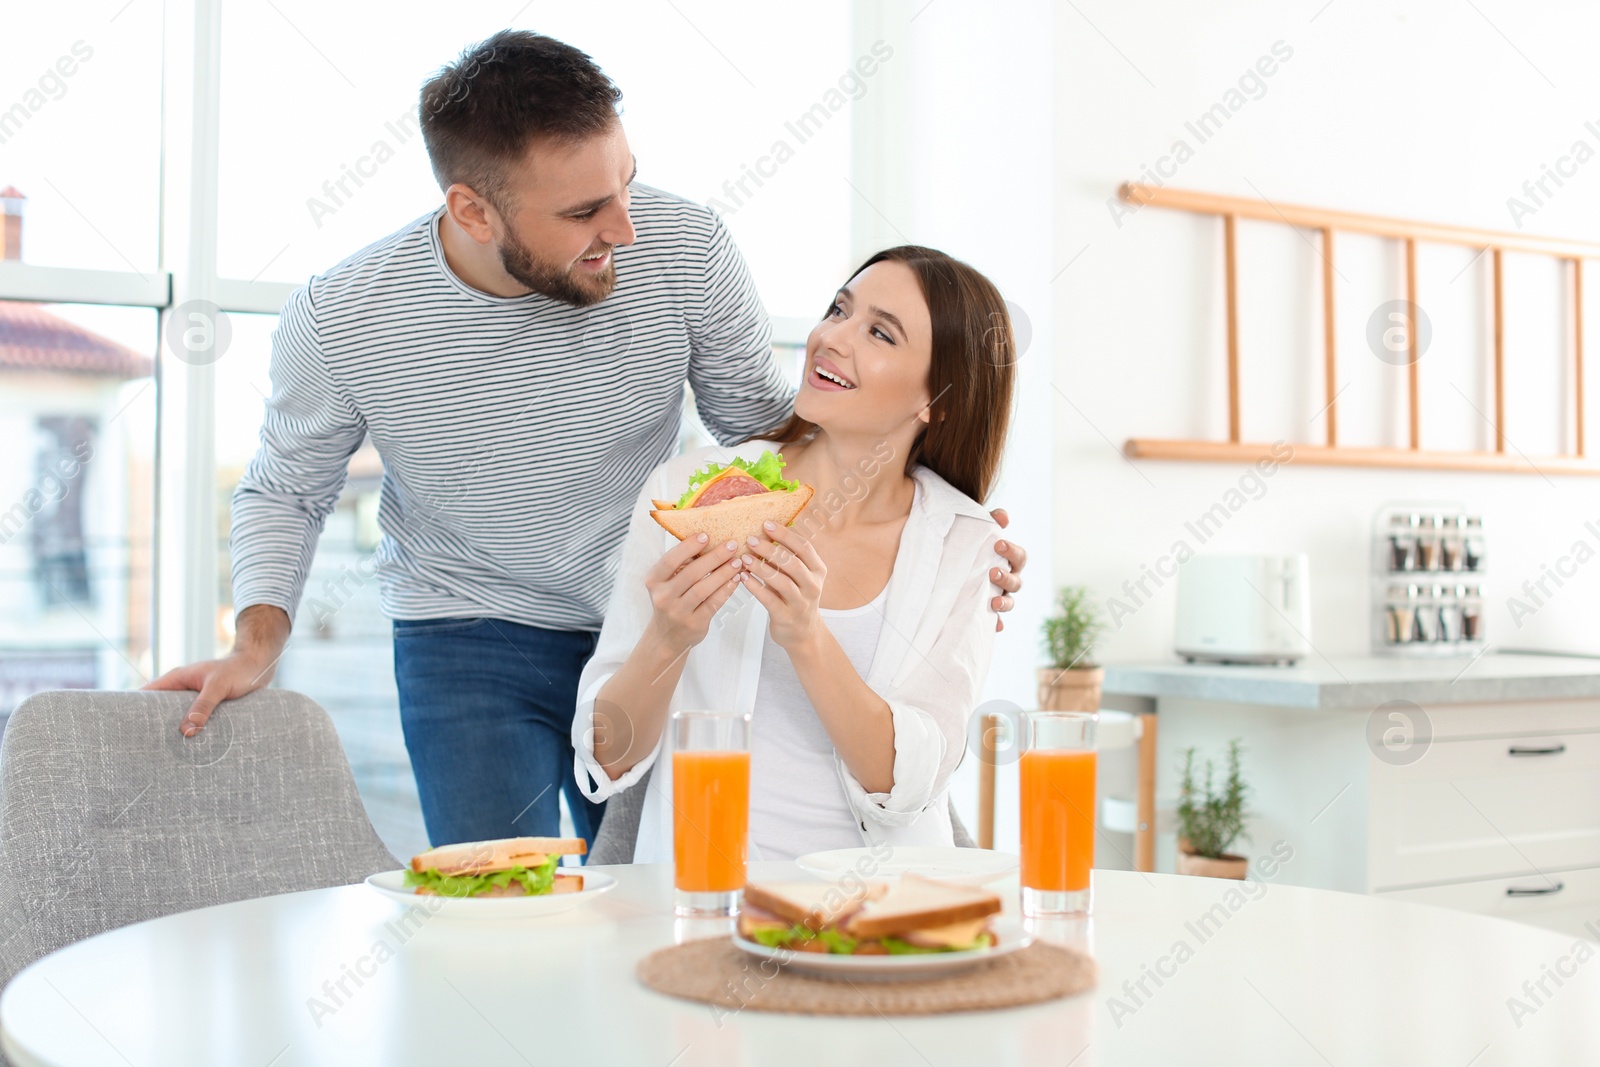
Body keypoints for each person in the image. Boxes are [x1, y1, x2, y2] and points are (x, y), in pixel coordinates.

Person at [145, 31, 1028, 848]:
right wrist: (255, 642)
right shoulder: (346, 315)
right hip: (469, 629)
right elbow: (287, 487)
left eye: (628, 183)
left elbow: (767, 427)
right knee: (502, 902)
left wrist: (938, 533)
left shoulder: (683, 247)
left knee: (640, 884)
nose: (627, 229)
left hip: (655, 602)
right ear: (474, 210)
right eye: (584, 211)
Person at [573, 246, 1015, 860]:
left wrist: (806, 635)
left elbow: (907, 782)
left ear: (934, 400)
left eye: (879, 333)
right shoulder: (686, 493)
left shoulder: (967, 547)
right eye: (838, 309)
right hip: (709, 904)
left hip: (884, 914)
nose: (832, 337)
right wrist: (668, 639)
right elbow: (609, 757)